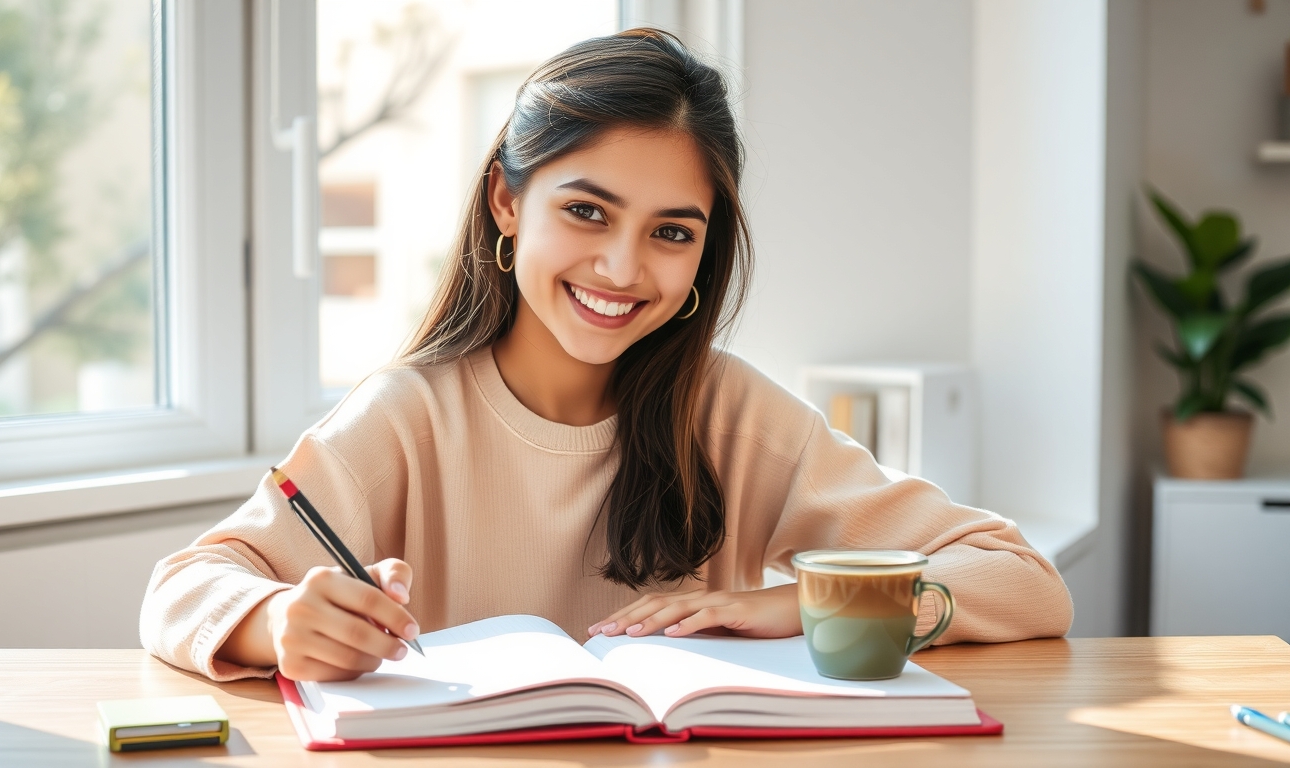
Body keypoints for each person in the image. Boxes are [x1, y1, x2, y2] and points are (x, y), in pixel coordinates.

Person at [140, 28, 1072, 683]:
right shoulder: (410, 412)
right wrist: (275, 622)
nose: (623, 269)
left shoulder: (732, 414)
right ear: (508, 204)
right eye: (586, 211)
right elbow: (183, 587)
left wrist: (804, 605)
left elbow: (1023, 582)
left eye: (673, 231)